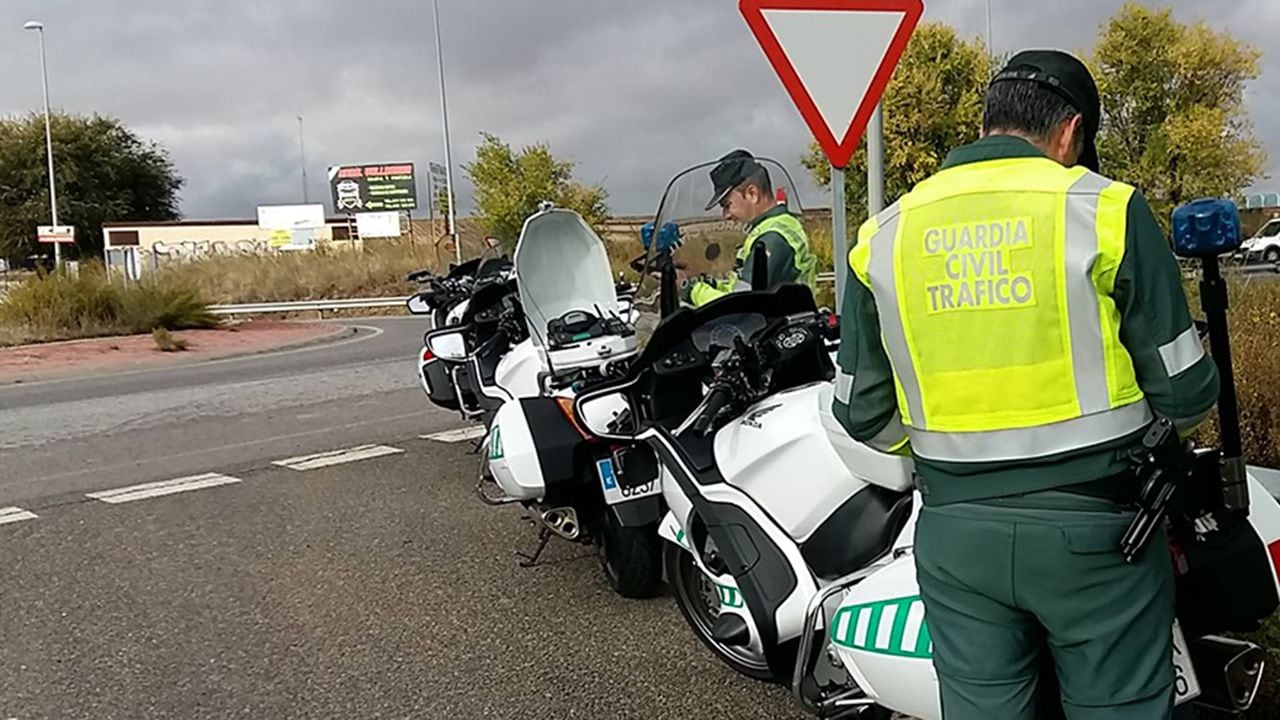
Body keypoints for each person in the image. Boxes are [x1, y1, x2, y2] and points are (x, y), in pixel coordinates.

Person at [831, 49, 1220, 719]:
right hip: (1098, 535)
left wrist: (947, 454)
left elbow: (860, 411)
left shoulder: (883, 235)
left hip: (955, 536)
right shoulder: (1104, 210)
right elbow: (1187, 393)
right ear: (1070, 132)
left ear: (987, 123)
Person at [680, 149, 817, 306]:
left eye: (727, 205)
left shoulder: (774, 238)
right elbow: (739, 288)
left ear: (753, 193)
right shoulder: (768, 231)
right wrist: (707, 282)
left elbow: (741, 304)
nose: (726, 215)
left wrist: (690, 289)